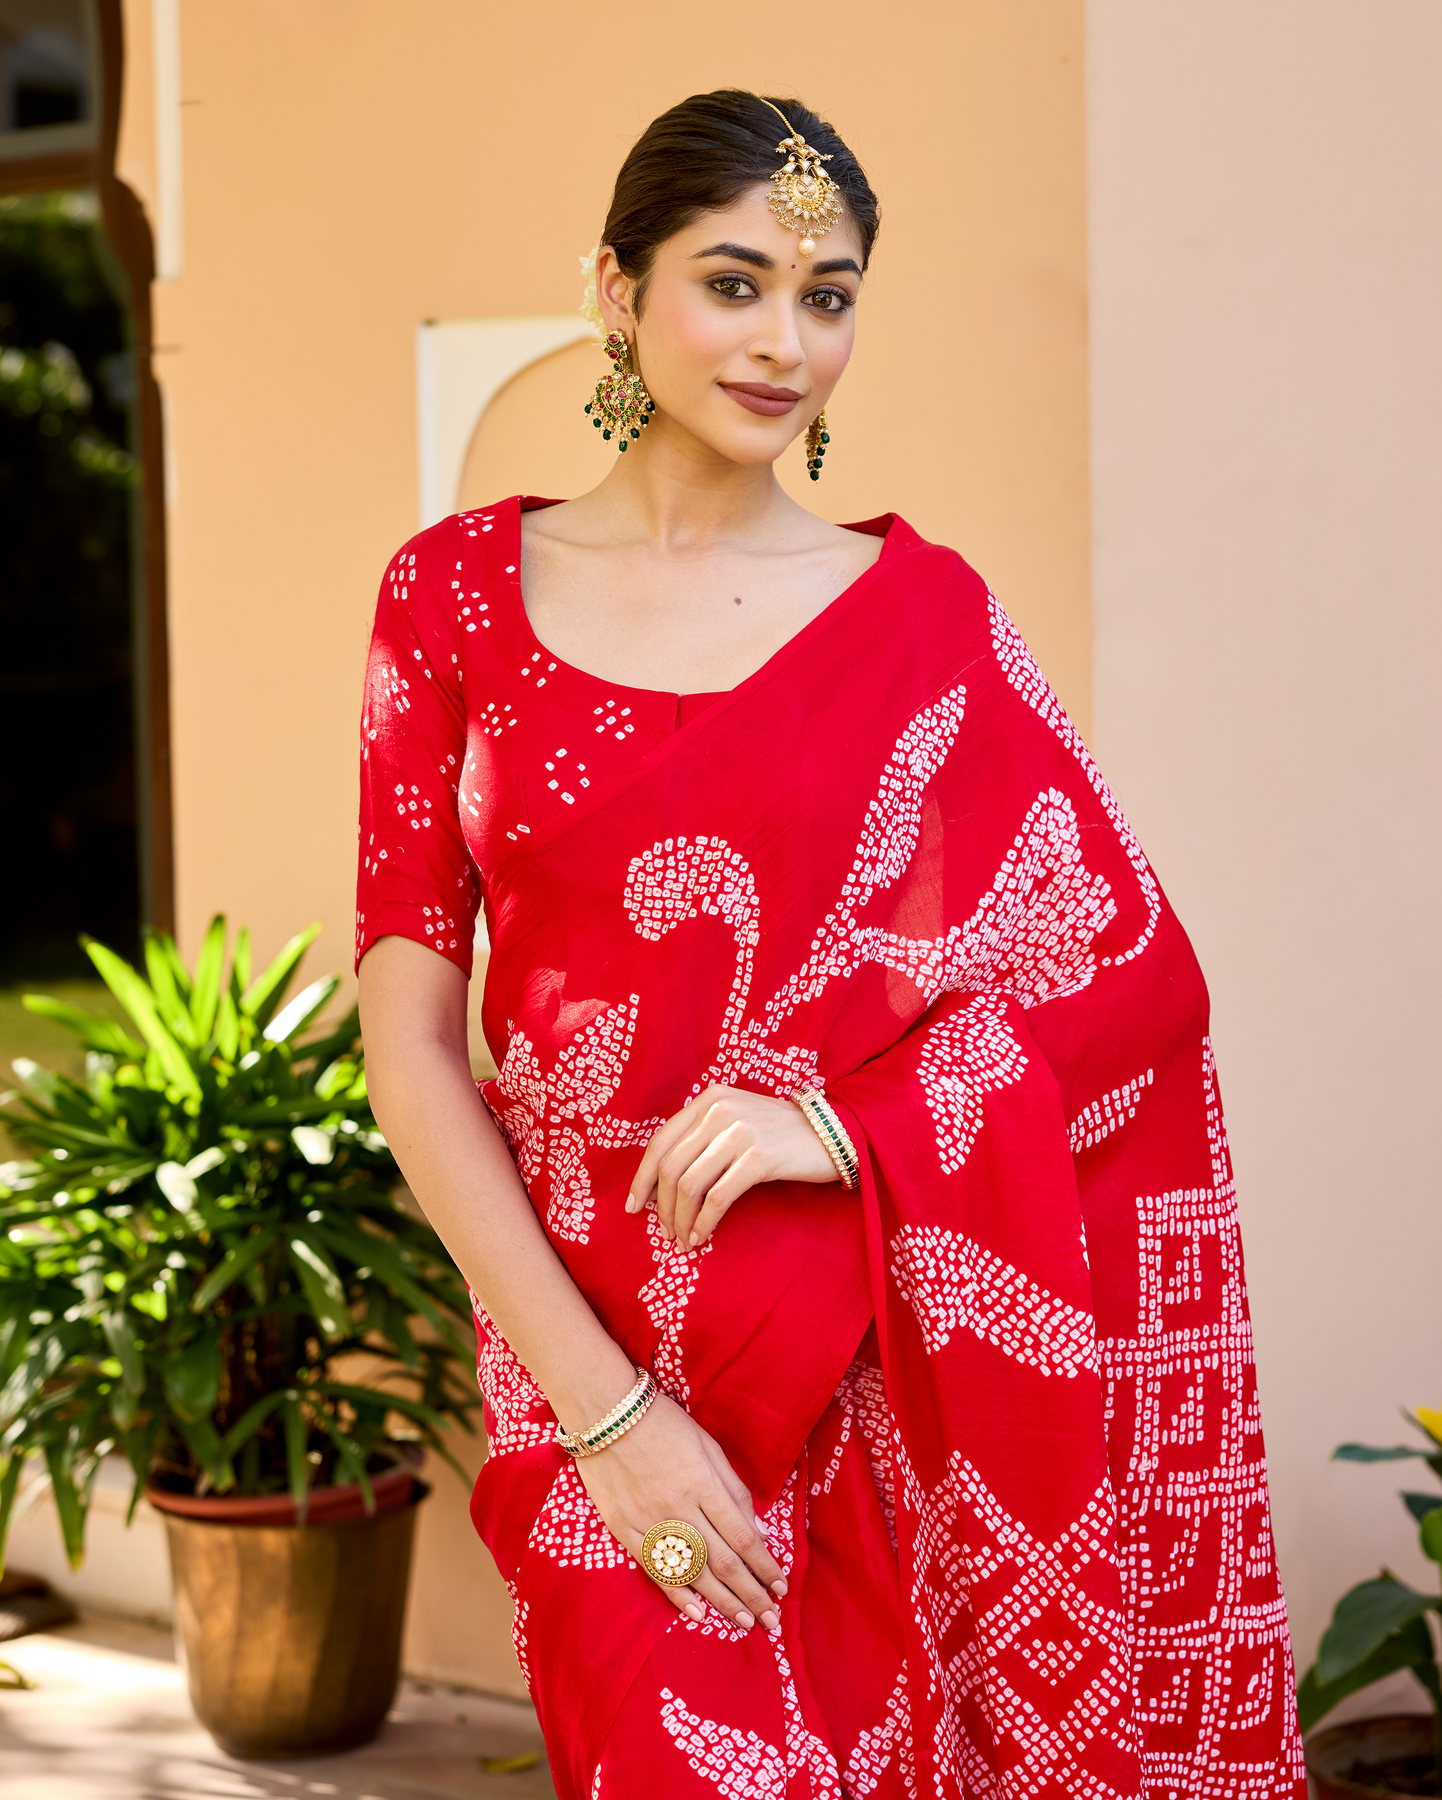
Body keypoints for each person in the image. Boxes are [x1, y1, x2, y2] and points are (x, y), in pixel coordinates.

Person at [356, 89, 1304, 1800]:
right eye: (732, 283)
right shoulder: (451, 602)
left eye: (828, 296)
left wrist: (844, 1124)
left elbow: (1129, 976)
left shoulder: (919, 622)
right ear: (615, 289)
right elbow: (411, 1044)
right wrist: (606, 1416)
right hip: (588, 1343)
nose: (782, 342)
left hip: (865, 1333)